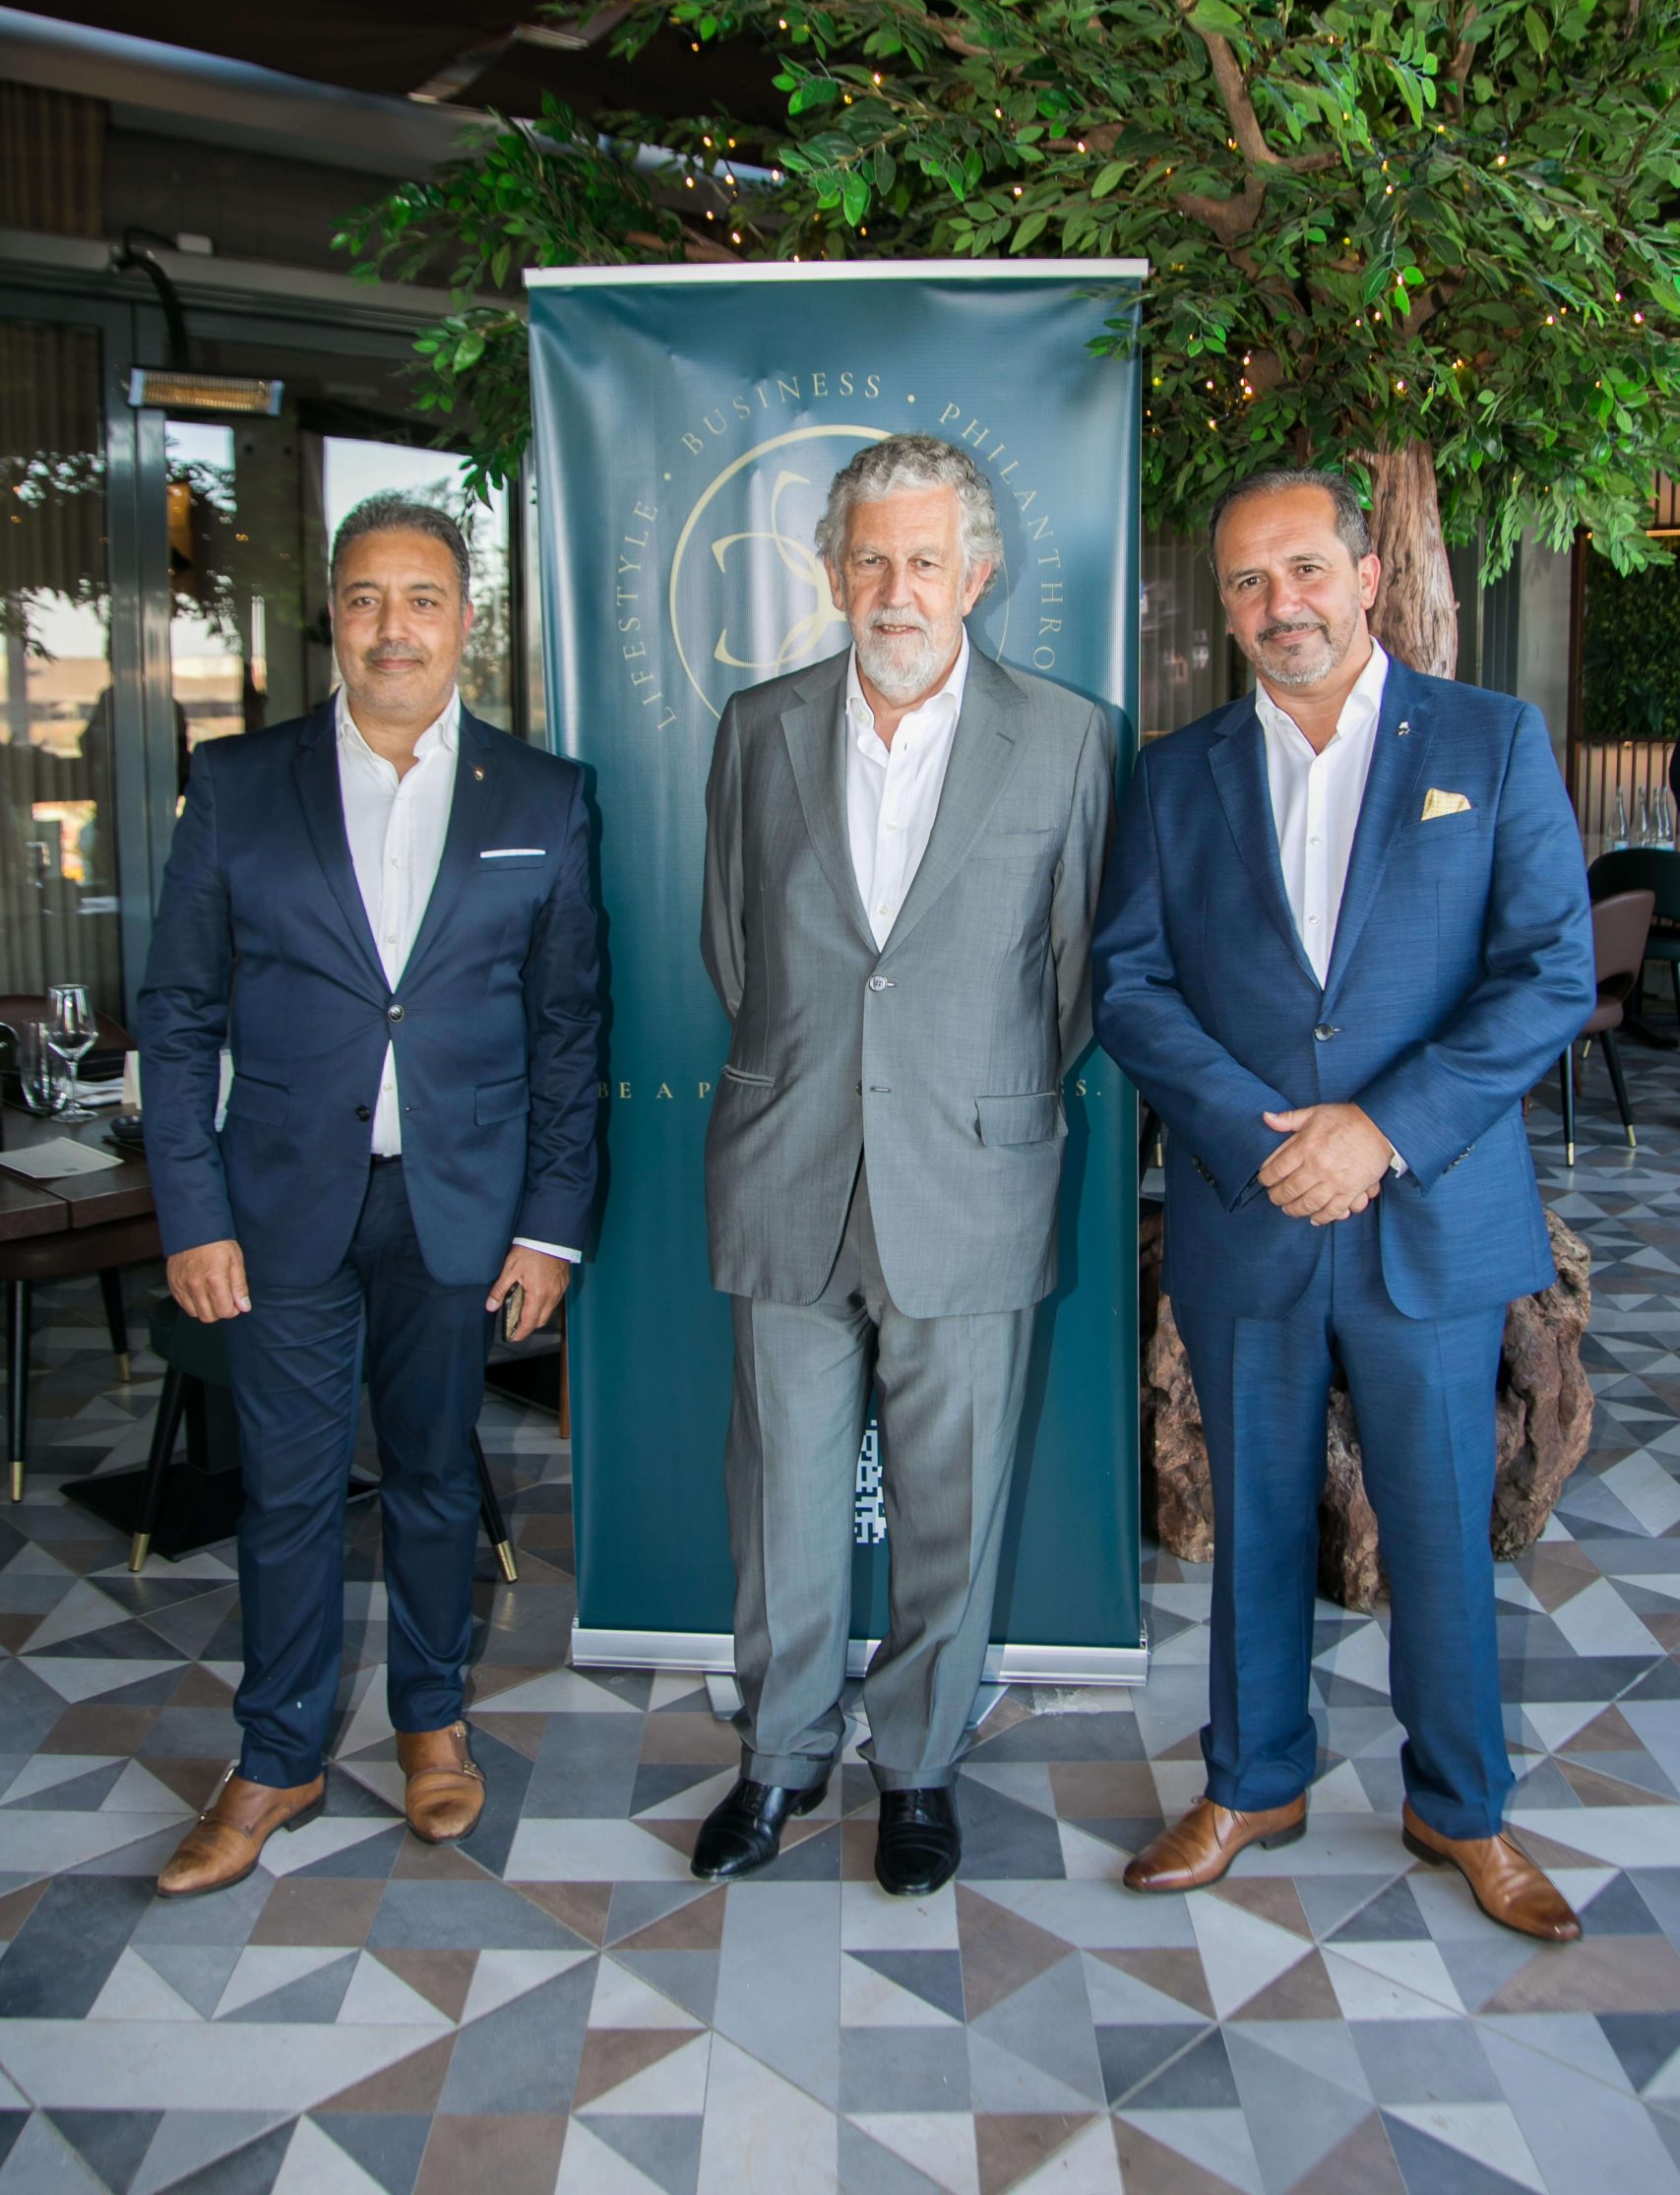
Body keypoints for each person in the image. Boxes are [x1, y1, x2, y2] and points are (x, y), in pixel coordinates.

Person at [1093, 468, 1594, 1940]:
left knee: (1440, 1528)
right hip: (1251, 1206)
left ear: (1368, 577)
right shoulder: (1173, 775)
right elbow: (1129, 984)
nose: (1280, 605)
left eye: (1305, 568)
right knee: (1250, 1518)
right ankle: (1253, 1782)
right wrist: (1263, 1140)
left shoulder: (1491, 741)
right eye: (1248, 581)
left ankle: (1462, 1806)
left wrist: (1380, 1132)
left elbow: (1551, 974)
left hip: (1425, 1210)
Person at [139, 494, 600, 1897]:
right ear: (331, 620)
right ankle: (274, 1757)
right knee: (284, 1493)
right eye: (363, 598)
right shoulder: (236, 783)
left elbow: (569, 1028)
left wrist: (550, 1224)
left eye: (421, 599)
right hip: (279, 1209)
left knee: (436, 1476)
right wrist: (192, 1212)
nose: (392, 627)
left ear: (467, 623)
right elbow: (176, 1015)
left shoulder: (543, 797)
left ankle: (431, 1721)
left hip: (459, 1209)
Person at [694, 434, 1116, 1896]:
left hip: (974, 1177)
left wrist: (962, 1094)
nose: (896, 588)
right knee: (781, 1500)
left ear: (976, 574)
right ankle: (779, 1756)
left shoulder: (1067, 738)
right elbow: (734, 945)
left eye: (925, 559)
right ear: (830, 572)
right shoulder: (758, 727)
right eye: (869, 557)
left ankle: (920, 1767)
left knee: (955, 1500)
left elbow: (1072, 981)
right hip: (786, 1165)